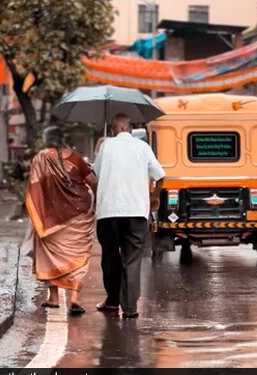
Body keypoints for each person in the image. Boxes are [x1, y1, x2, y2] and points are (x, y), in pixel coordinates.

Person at [93, 113, 165, 319]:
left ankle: (113, 300)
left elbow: (94, 176)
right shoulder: (142, 148)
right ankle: (130, 308)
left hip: (109, 213)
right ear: (130, 129)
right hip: (136, 212)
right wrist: (155, 197)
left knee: (110, 257)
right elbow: (160, 175)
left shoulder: (106, 146)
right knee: (132, 259)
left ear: (114, 129)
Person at [25, 126, 97, 315]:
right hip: (80, 215)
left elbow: (35, 187)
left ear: (46, 140)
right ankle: (75, 298)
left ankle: (54, 298)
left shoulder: (40, 158)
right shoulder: (76, 158)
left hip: (51, 218)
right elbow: (93, 184)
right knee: (78, 257)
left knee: (51, 258)